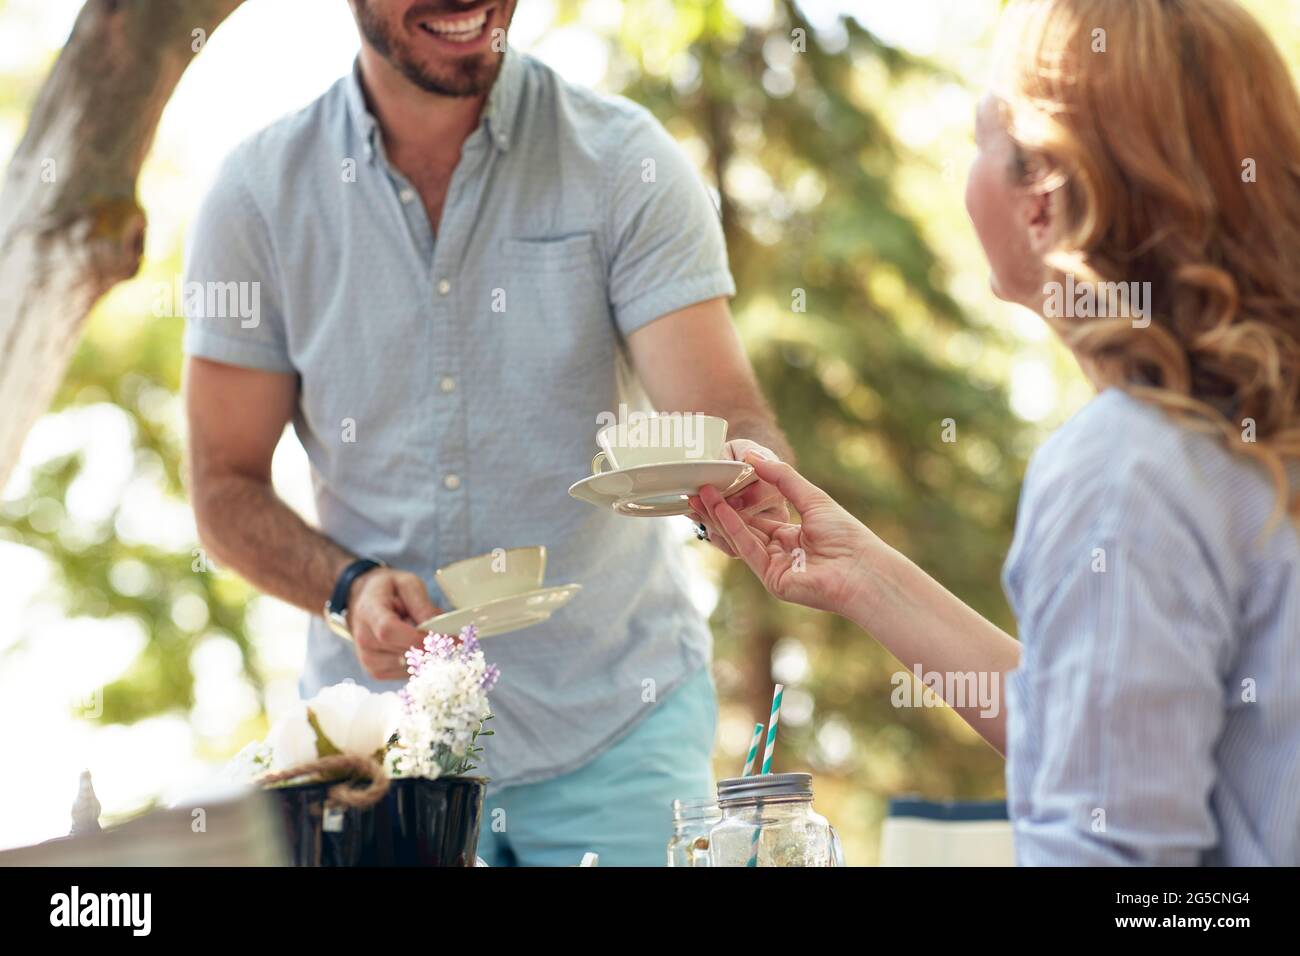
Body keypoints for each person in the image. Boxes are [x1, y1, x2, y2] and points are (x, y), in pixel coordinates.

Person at [182, 0, 791, 866]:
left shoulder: (624, 162)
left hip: (616, 730)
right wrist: (347, 586)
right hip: (377, 756)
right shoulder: (256, 198)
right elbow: (223, 485)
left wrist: (743, 476)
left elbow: (726, 411)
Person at [698, 0, 1300, 866]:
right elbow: (1108, 741)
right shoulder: (1232, 441)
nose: (963, 164)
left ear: (1042, 201)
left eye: (982, 134)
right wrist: (862, 576)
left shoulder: (1125, 469)